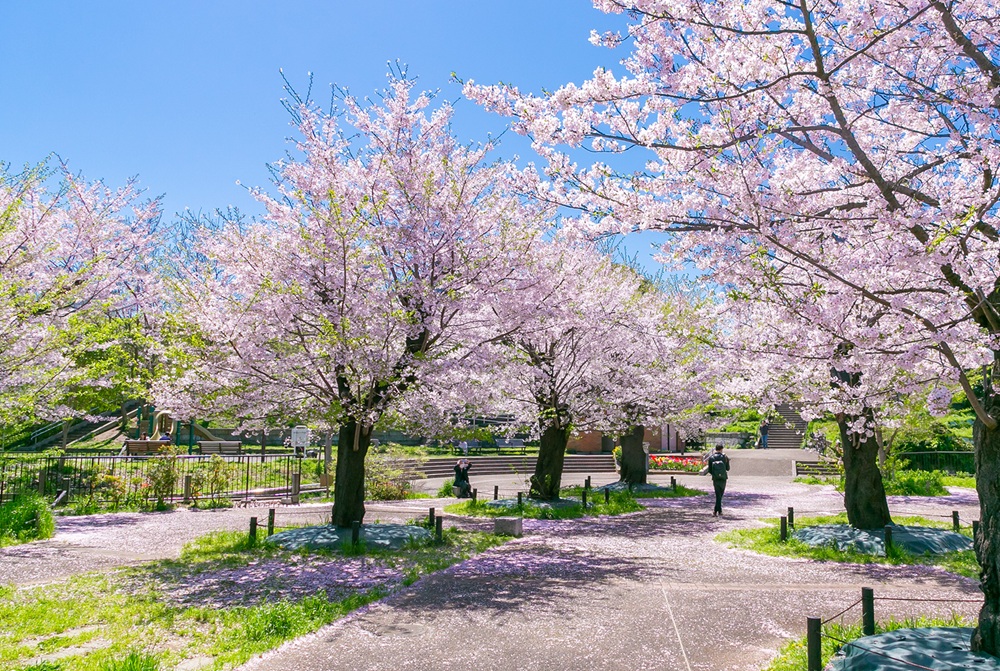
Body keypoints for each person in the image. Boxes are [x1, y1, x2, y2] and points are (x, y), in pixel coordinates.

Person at [706, 444, 730, 516]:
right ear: (721, 449)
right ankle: (717, 511)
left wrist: (715, 473)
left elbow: (709, 470)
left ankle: (717, 511)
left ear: (715, 449)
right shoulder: (724, 457)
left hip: (715, 478)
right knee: (720, 494)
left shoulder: (711, 457)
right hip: (723, 478)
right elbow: (728, 468)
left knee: (717, 494)